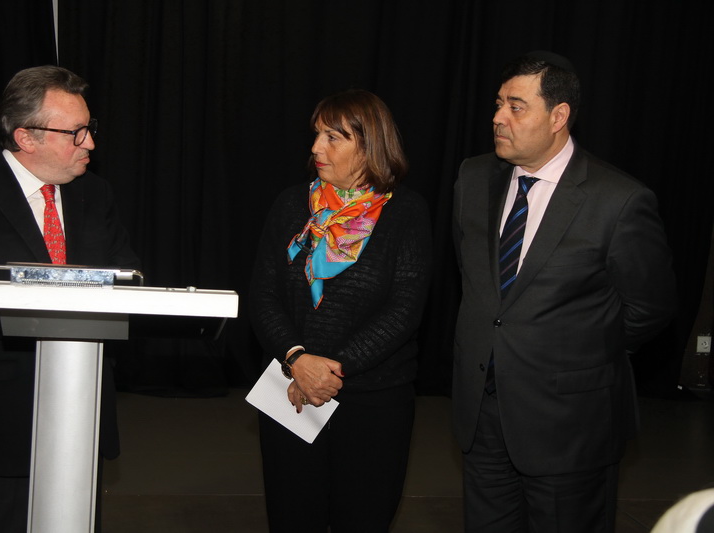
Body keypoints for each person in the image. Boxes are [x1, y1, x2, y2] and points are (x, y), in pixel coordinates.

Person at [451, 51, 676, 532]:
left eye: (516, 106)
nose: (497, 118)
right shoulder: (473, 178)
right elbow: (478, 283)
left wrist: (576, 352)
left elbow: (650, 307)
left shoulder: (618, 200)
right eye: (497, 104)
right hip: (483, 414)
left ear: (558, 116)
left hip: (570, 423)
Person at [0, 65, 140, 532]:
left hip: (82, 406)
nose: (90, 144)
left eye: (89, 129)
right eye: (76, 132)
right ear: (26, 137)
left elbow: (129, 279)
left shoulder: (95, 195)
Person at [249, 89, 432, 532]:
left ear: (370, 145)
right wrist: (297, 360)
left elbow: (404, 311)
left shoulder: (407, 212)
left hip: (373, 403)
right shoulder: (291, 204)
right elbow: (262, 294)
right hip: (289, 390)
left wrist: (329, 370)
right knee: (292, 516)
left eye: (334, 137)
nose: (316, 148)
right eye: (316, 136)